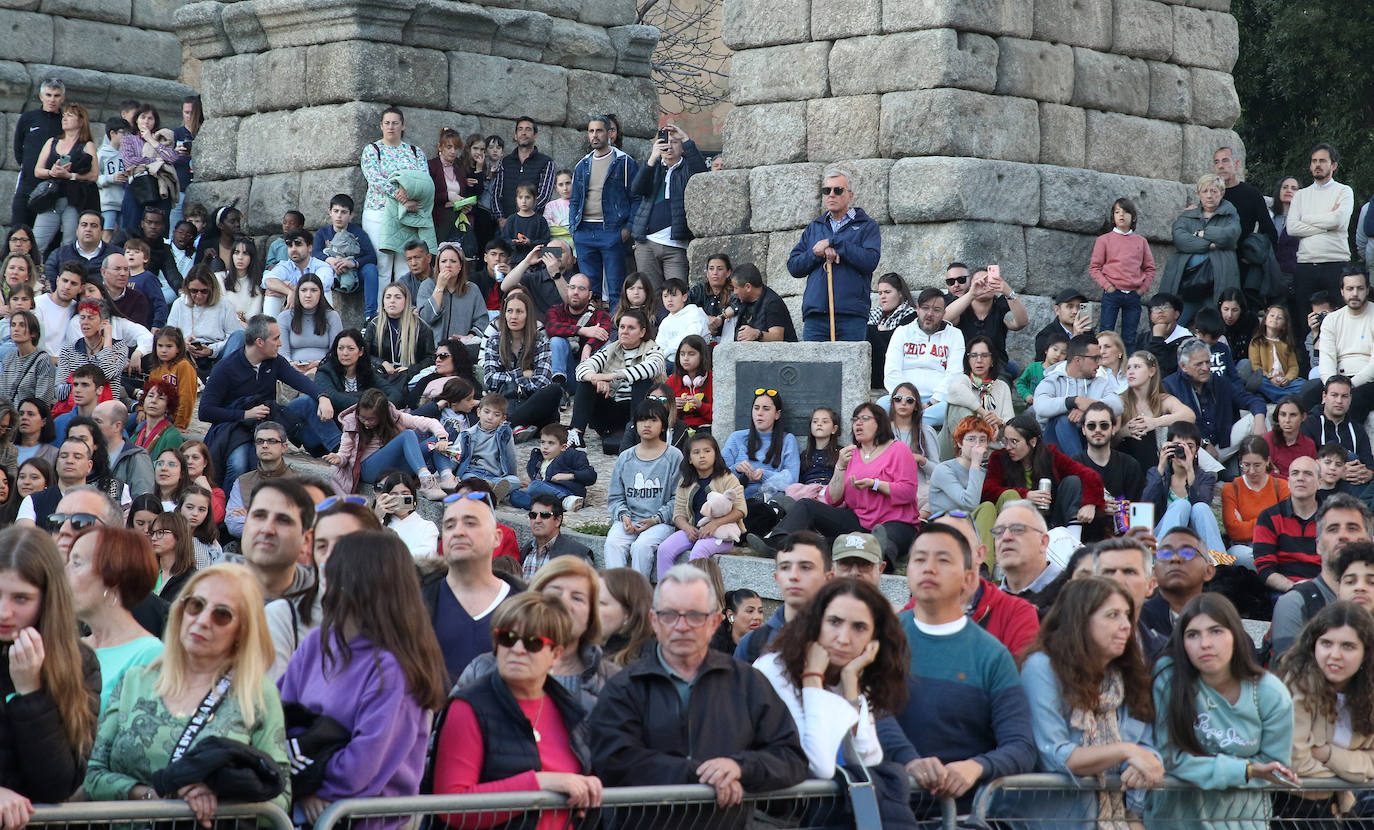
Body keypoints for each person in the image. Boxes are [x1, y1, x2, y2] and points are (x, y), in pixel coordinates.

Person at [589, 564, 808, 818]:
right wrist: (702, 775)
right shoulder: (625, 686)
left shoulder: (748, 682)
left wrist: (741, 768)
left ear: (714, 622)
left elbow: (790, 758)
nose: (682, 626)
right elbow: (611, 761)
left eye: (694, 615)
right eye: (670, 615)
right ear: (654, 621)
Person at [83, 563, 291, 818]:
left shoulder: (257, 693)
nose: (203, 621)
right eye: (195, 605)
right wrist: (149, 795)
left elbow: (281, 798)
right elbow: (93, 774)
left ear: (243, 631)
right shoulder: (136, 680)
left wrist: (220, 795)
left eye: (222, 615)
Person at [277, 532, 448, 825]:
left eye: (335, 574)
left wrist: (313, 787)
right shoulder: (316, 642)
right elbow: (276, 719)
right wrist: (299, 789)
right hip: (303, 807)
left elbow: (361, 767)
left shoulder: (394, 668)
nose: (325, 582)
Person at [892, 525, 1037, 816]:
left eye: (943, 560)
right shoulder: (882, 638)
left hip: (964, 814)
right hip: (888, 810)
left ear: (969, 578)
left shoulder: (991, 655)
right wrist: (909, 760)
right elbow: (870, 715)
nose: (929, 568)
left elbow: (1020, 745)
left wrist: (977, 766)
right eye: (919, 559)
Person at [755, 578, 916, 826]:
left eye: (859, 627)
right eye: (834, 622)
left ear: (875, 638)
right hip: (771, 817)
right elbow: (818, 765)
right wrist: (812, 679)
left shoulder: (849, 672)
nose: (843, 638)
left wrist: (852, 683)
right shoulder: (773, 670)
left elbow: (867, 758)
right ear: (816, 622)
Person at [434, 592, 604, 824]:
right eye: (508, 638)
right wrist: (540, 783)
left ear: (556, 655)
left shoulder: (571, 708)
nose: (517, 649)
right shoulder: (469, 707)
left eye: (533, 643)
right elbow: (452, 805)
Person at [1019, 577, 1163, 828]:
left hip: (1117, 819)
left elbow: (1148, 746)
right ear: (1080, 620)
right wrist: (1126, 751)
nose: (1125, 625)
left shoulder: (1125, 675)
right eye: (1112, 615)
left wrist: (1144, 762)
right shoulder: (1042, 667)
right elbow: (1055, 755)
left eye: (1127, 615)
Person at [1148, 593, 1297, 829]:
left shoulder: (1270, 692)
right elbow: (1170, 758)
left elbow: (1275, 770)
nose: (1205, 643)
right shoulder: (1169, 678)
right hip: (1174, 821)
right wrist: (1246, 770)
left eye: (1216, 631)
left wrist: (1246, 771)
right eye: (1193, 635)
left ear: (1236, 635)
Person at [765, 403, 919, 569]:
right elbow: (833, 500)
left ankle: (878, 557)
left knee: (885, 537)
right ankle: (777, 543)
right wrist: (840, 467)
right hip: (859, 522)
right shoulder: (851, 454)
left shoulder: (898, 449)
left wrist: (875, 484)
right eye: (855, 420)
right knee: (806, 505)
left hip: (895, 522)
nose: (858, 423)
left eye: (865, 418)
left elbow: (908, 492)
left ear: (880, 423)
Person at [198, 315, 333, 494]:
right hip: (234, 427)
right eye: (276, 338)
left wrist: (322, 397)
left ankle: (337, 449)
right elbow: (205, 411)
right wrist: (244, 415)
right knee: (238, 463)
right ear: (260, 342)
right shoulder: (225, 368)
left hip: (266, 421)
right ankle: (229, 509)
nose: (281, 344)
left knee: (307, 402)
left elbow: (300, 381)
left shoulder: (274, 361)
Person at [1274, 600, 1374, 824]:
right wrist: (1351, 774)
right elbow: (1294, 762)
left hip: (1336, 808)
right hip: (1289, 808)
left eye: (1348, 646)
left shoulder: (1369, 692)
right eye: (1326, 643)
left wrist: (1327, 754)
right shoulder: (1298, 683)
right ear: (1313, 645)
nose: (1334, 655)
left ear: (1366, 653)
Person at [422, 490, 525, 683]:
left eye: (470, 523)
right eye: (449, 525)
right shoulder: (416, 601)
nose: (458, 532)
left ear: (497, 537)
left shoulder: (526, 605)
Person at [65, 525, 162, 711]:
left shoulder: (149, 655)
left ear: (113, 578)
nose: (64, 572)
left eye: (76, 563)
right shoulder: (75, 646)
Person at [1270, 493, 1374, 660]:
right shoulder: (1297, 603)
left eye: (1352, 528)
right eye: (1333, 529)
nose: (1342, 536)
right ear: (1318, 545)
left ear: (1370, 540)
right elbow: (1288, 676)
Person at [786, 167, 880, 342]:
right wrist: (816, 252)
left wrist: (834, 243)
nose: (831, 194)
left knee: (850, 368)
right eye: (826, 190)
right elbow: (794, 266)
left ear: (850, 195)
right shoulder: (815, 227)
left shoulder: (867, 226)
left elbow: (870, 261)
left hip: (851, 315)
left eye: (838, 190)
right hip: (816, 315)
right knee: (813, 369)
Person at [326, 387, 455, 501]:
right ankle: (426, 481)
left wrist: (442, 437)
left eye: (371, 419)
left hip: (394, 468)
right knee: (408, 435)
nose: (365, 422)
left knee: (437, 441)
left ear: (382, 416)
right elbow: (344, 454)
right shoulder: (352, 424)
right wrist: (338, 458)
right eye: (362, 417)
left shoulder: (395, 417)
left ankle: (447, 477)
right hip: (369, 470)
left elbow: (428, 422)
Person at [603, 401, 682, 577]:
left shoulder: (674, 456)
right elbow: (615, 497)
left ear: (663, 425)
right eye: (642, 420)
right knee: (613, 543)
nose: (647, 425)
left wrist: (655, 519)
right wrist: (624, 516)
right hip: (629, 520)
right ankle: (616, 598)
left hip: (660, 522)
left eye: (653, 420)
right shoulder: (625, 457)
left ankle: (639, 599)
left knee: (642, 547)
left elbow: (679, 498)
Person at [984, 414, 1103, 530]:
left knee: (1073, 482)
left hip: (1052, 520)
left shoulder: (1050, 455)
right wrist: (1025, 495)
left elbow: (1089, 475)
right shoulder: (999, 458)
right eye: (1006, 441)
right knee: (1009, 494)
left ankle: (1070, 537)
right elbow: (988, 490)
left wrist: (1091, 502)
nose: (1008, 447)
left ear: (1032, 441)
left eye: (1014, 441)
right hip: (1014, 520)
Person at [568, 116, 639, 308]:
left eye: (599, 131)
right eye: (591, 131)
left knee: (616, 287)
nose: (594, 135)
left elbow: (636, 198)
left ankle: (616, 330)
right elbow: (574, 200)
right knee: (589, 290)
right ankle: (591, 329)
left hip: (612, 230)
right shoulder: (582, 164)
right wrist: (573, 229)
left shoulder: (624, 162)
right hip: (584, 231)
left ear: (609, 134)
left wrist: (628, 229)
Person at [569, 308, 664, 453]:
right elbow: (582, 369)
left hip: (640, 414)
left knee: (642, 380)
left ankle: (636, 433)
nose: (624, 331)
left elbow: (651, 368)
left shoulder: (653, 349)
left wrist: (610, 376)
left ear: (642, 332)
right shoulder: (610, 349)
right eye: (622, 327)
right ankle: (576, 435)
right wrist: (595, 379)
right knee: (586, 382)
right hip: (612, 411)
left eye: (631, 328)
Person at [735, 531, 835, 664]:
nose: (793, 576)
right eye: (785, 567)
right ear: (776, 578)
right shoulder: (751, 644)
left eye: (805, 567)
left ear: (828, 578)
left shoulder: (841, 639)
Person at [1288, 144, 1355, 342]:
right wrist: (1326, 225)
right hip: (1306, 266)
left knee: (1341, 320)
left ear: (1333, 165)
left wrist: (1306, 218)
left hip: (1336, 263)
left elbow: (1338, 221)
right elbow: (1291, 228)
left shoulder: (1344, 191)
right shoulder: (1300, 195)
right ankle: (1309, 369)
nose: (1317, 165)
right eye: (1314, 161)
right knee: (1304, 321)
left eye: (1322, 161)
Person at [655, 433, 745, 580]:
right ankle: (666, 597)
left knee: (699, 551)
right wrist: (687, 528)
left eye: (707, 451)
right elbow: (678, 514)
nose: (702, 456)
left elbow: (741, 510)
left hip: (722, 534)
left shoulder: (728, 478)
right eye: (696, 452)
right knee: (664, 550)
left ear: (716, 454)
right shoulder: (685, 482)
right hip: (694, 531)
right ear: (690, 459)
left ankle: (694, 598)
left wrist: (714, 525)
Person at [1164, 337, 1267, 464]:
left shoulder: (1219, 381)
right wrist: (1204, 443)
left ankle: (1264, 466)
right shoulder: (1170, 386)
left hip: (1222, 443)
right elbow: (1177, 429)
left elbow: (1252, 400)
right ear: (1183, 366)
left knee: (1258, 416)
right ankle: (1214, 473)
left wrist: (1259, 422)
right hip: (1194, 450)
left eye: (1208, 362)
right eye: (1199, 364)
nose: (1206, 368)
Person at [1157, 174, 1243, 322]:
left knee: (1214, 325)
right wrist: (1211, 244)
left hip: (1216, 283)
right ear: (1199, 194)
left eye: (1214, 191)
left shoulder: (1230, 213)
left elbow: (1230, 236)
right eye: (1205, 191)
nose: (1209, 195)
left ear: (1221, 193)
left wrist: (1201, 233)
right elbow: (1180, 239)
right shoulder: (1188, 215)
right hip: (1188, 285)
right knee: (1175, 324)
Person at [359, 106, 428, 286]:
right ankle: (381, 312)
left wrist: (411, 196)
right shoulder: (372, 150)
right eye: (387, 123)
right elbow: (374, 178)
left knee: (406, 264)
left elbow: (424, 180)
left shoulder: (415, 152)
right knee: (383, 265)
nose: (391, 127)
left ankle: (403, 311)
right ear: (381, 126)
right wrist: (400, 195)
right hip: (379, 213)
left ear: (403, 126)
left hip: (408, 213)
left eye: (395, 123)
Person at [481, 291, 563, 435]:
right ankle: (517, 425)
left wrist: (510, 379)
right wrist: (522, 374)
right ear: (504, 314)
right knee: (507, 392)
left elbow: (542, 381)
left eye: (519, 312)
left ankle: (509, 425)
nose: (513, 316)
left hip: (532, 403)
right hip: (504, 404)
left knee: (555, 389)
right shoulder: (494, 341)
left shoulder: (540, 341)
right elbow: (489, 379)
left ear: (528, 315)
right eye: (510, 311)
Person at [883, 287, 964, 428]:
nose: (930, 314)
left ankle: (909, 425)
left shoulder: (955, 335)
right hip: (903, 398)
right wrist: (908, 400)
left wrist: (932, 402)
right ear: (917, 309)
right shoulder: (902, 332)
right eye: (925, 308)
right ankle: (913, 424)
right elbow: (892, 371)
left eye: (936, 310)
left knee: (954, 410)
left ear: (944, 313)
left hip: (937, 401)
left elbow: (954, 374)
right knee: (882, 405)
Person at [1140, 420, 1225, 554]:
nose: (1183, 451)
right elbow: (1145, 507)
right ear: (1168, 446)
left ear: (1197, 450)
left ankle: (1220, 566)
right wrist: (1161, 467)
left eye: (1189, 447)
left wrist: (1190, 471)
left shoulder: (1206, 477)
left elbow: (1202, 501)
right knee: (1181, 505)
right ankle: (1161, 558)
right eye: (1178, 446)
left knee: (1200, 507)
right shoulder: (1156, 473)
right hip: (1160, 538)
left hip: (1194, 541)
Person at [1033, 333, 1124, 457]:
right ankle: (1082, 466)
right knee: (1062, 420)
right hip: (1052, 446)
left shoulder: (1100, 382)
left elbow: (1117, 406)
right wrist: (1073, 401)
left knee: (1095, 424)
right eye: (1095, 358)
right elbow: (1041, 407)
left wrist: (1088, 410)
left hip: (1087, 440)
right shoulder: (1052, 380)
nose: (1099, 363)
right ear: (1078, 360)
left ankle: (1082, 467)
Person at [31, 103, 99, 256]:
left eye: (70, 115)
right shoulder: (52, 142)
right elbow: (37, 170)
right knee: (37, 242)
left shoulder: (87, 145)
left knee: (70, 243)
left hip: (73, 200)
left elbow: (94, 175)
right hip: (51, 198)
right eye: (64, 115)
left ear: (81, 121)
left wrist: (71, 176)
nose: (65, 118)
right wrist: (52, 172)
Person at [238, 477, 317, 607]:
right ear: (245, 523)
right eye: (259, 515)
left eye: (283, 520)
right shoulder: (207, 590)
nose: (267, 529)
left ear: (307, 540)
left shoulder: (326, 606)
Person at [1091, 197, 1157, 352]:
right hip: (1112, 293)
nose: (1121, 215)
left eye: (1126, 212)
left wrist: (1142, 289)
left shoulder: (1140, 241)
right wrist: (1108, 286)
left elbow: (1150, 268)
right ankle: (1103, 367)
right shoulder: (1104, 240)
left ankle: (1127, 370)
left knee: (1129, 337)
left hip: (1133, 295)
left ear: (1133, 217)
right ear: (1113, 217)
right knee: (1106, 332)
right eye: (1117, 212)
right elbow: (1095, 267)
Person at [296, 329, 377, 455]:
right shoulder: (326, 371)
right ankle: (340, 449)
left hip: (352, 434)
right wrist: (367, 402)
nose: (345, 353)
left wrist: (379, 404)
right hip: (321, 437)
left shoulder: (367, 373)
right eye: (340, 348)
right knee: (307, 401)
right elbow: (333, 397)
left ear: (360, 351)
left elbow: (394, 394)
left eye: (350, 348)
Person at [1308, 269, 1374, 422]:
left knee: (1354, 400)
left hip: (1368, 381)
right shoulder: (1332, 320)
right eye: (1350, 288)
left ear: (1367, 289)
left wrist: (1346, 387)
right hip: (1338, 378)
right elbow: (1327, 359)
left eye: (1360, 288)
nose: (1355, 293)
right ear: (1342, 291)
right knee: (1306, 397)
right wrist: (1333, 386)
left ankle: (1346, 444)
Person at [943, 265, 1030, 370]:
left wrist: (1008, 292)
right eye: (978, 282)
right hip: (964, 366)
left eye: (988, 282)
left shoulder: (1001, 305)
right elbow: (944, 319)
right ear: (970, 286)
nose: (983, 285)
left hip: (996, 367)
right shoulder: (961, 306)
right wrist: (972, 294)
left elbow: (1022, 322)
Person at [1224, 436, 1291, 570]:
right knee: (1244, 555)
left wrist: (1247, 525)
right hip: (1244, 549)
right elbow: (1234, 531)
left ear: (1267, 461)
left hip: (1275, 546)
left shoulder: (1282, 487)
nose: (1252, 471)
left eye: (1257, 465)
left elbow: (1287, 525)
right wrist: (1271, 521)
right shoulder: (1231, 489)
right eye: (1246, 465)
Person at [943, 335, 1013, 456]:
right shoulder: (963, 380)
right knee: (959, 406)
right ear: (968, 360)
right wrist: (983, 413)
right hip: (960, 448)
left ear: (992, 360)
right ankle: (971, 451)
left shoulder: (1002, 387)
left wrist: (999, 422)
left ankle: (981, 451)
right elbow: (955, 391)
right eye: (974, 356)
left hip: (991, 447)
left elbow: (1011, 421)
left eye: (984, 356)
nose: (979, 360)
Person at [11, 78, 65, 230]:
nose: (52, 100)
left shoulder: (65, 121)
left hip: (53, 186)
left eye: (56, 95)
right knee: (19, 228)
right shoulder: (28, 118)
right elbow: (18, 148)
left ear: (63, 98)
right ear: (41, 96)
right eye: (48, 95)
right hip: (27, 183)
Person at [545, 271, 613, 391]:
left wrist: (588, 347)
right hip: (566, 371)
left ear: (589, 294)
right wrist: (581, 331)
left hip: (590, 372)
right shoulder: (556, 310)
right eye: (572, 287)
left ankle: (603, 388)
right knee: (556, 341)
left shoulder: (599, 314)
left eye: (581, 288)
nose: (576, 292)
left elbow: (604, 332)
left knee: (607, 345)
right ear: (567, 290)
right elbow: (551, 327)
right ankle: (558, 388)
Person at [224, 421, 293, 540]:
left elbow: (299, 526)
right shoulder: (242, 481)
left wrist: (251, 517)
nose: (265, 445)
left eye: (272, 441)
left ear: (284, 447)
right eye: (260, 441)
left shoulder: (301, 482)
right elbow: (233, 525)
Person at [367, 282, 434, 394]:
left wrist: (410, 369)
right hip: (381, 376)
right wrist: (382, 363)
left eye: (397, 297)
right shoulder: (373, 325)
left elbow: (431, 358)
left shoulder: (421, 327)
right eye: (388, 297)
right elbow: (363, 353)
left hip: (410, 378)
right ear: (383, 301)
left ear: (406, 301)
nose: (392, 301)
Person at [418, 241, 488, 348]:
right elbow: (425, 318)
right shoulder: (427, 285)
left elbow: (482, 321)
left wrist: (469, 337)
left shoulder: (472, 290)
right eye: (443, 261)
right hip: (432, 351)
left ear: (460, 266)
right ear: (438, 265)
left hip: (461, 351)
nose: (448, 265)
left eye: (453, 261)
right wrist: (439, 287)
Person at [516, 490, 594, 580]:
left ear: (558, 520)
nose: (537, 520)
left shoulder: (577, 554)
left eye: (545, 515)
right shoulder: (526, 551)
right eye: (533, 515)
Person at [275, 274, 342, 376]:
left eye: (314, 290)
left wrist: (319, 364)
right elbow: (282, 353)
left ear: (321, 293)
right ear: (298, 293)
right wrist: (292, 365)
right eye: (304, 290)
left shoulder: (332, 316)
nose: (308, 295)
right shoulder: (284, 317)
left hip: (324, 367)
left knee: (318, 374)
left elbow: (337, 351)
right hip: (293, 368)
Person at [92, 399, 154, 499]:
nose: (91, 426)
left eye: (98, 421)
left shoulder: (136, 457)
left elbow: (143, 501)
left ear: (117, 426)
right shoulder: (88, 453)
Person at [374, 471, 440, 563]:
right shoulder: (379, 523)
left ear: (413, 499)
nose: (400, 498)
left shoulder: (427, 526)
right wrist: (376, 517)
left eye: (405, 494)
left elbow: (427, 554)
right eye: (394, 495)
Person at [867, 272, 919, 383]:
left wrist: (880, 331)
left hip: (896, 368)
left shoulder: (910, 315)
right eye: (880, 293)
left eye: (887, 292)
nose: (883, 297)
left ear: (900, 293)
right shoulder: (876, 313)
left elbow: (898, 341)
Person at [728, 262, 796, 342]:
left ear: (748, 287)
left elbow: (777, 337)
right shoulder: (744, 299)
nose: (734, 292)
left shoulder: (772, 302)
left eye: (736, 288)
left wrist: (757, 334)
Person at [0, 310, 54, 405]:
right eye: (13, 325)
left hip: (29, 416)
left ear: (33, 333)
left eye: (22, 325)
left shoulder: (43, 360)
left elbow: (43, 401)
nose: (16, 329)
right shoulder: (8, 359)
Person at [148, 510, 196, 601]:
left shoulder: (190, 579)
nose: (153, 538)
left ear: (179, 536)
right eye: (153, 533)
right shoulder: (147, 572)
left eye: (160, 532)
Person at [1033, 288, 1092, 362]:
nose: (1075, 311)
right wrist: (1076, 339)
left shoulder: (1087, 332)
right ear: (1057, 310)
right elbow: (1047, 367)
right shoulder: (1046, 335)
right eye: (1070, 306)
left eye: (1079, 307)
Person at [1266, 396, 1317, 478]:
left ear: (1303, 417)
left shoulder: (1309, 445)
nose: (1287, 420)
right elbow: (1263, 474)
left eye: (1293, 415)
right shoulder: (1268, 439)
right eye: (1283, 415)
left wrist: (1277, 474)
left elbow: (1311, 475)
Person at [711, 588, 763, 654]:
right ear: (730, 615)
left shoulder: (768, 647)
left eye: (760, 611)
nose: (757, 617)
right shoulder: (712, 649)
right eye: (750, 611)